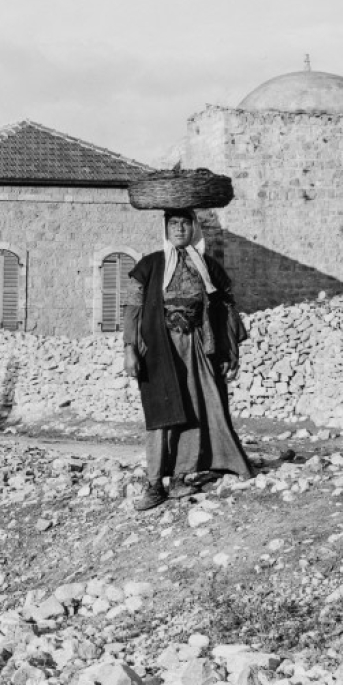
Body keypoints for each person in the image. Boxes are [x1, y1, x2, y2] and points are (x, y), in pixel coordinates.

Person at [123, 209, 253, 511]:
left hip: (196, 344)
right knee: (161, 411)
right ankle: (155, 483)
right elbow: (132, 307)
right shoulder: (151, 265)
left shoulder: (207, 267)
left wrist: (228, 352)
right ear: (165, 229)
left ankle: (181, 475)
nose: (179, 229)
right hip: (159, 345)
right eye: (173, 224)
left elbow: (225, 310)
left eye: (184, 223)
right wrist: (130, 348)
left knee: (197, 406)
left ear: (193, 228)